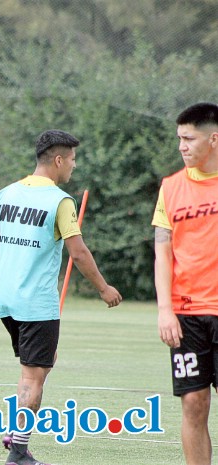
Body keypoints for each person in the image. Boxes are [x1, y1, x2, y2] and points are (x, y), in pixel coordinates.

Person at [0, 129, 122, 465]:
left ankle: (17, 432)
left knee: (40, 365)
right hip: (38, 305)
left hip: (9, 303)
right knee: (34, 376)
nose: (73, 167)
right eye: (71, 160)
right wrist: (104, 288)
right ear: (58, 160)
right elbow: (79, 252)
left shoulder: (6, 194)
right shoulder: (60, 201)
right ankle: (18, 452)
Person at [153, 102, 218, 465]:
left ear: (213, 139)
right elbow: (163, 251)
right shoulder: (171, 187)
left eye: (189, 138)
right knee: (194, 402)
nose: (181, 146)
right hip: (187, 314)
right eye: (179, 138)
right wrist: (165, 310)